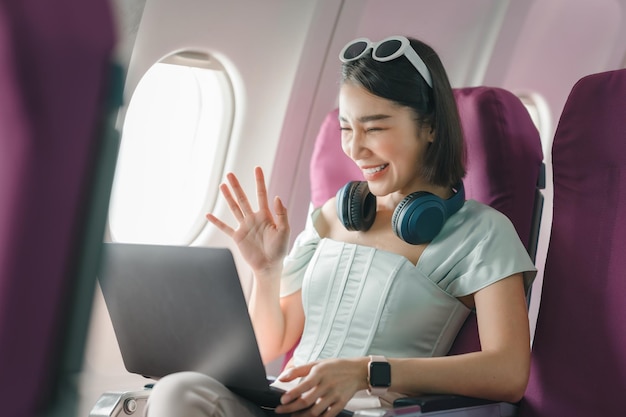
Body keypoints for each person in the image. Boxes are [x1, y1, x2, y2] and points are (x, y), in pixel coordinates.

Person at [145, 35, 536, 417]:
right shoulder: (333, 214)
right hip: (283, 403)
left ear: (430, 127)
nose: (355, 148)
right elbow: (270, 345)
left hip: (369, 411)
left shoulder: (481, 233)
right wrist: (266, 272)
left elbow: (508, 373)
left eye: (376, 128)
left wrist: (367, 372)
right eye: (347, 128)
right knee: (178, 389)